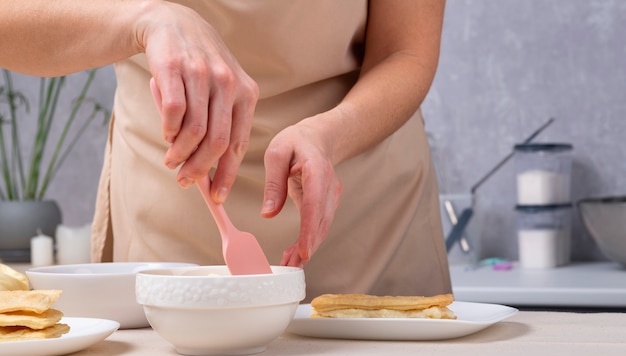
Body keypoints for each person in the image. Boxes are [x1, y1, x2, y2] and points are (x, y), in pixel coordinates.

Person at [0, 0, 451, 301]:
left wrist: (330, 136)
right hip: (168, 222)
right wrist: (142, 19)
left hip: (360, 204)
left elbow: (405, 51)